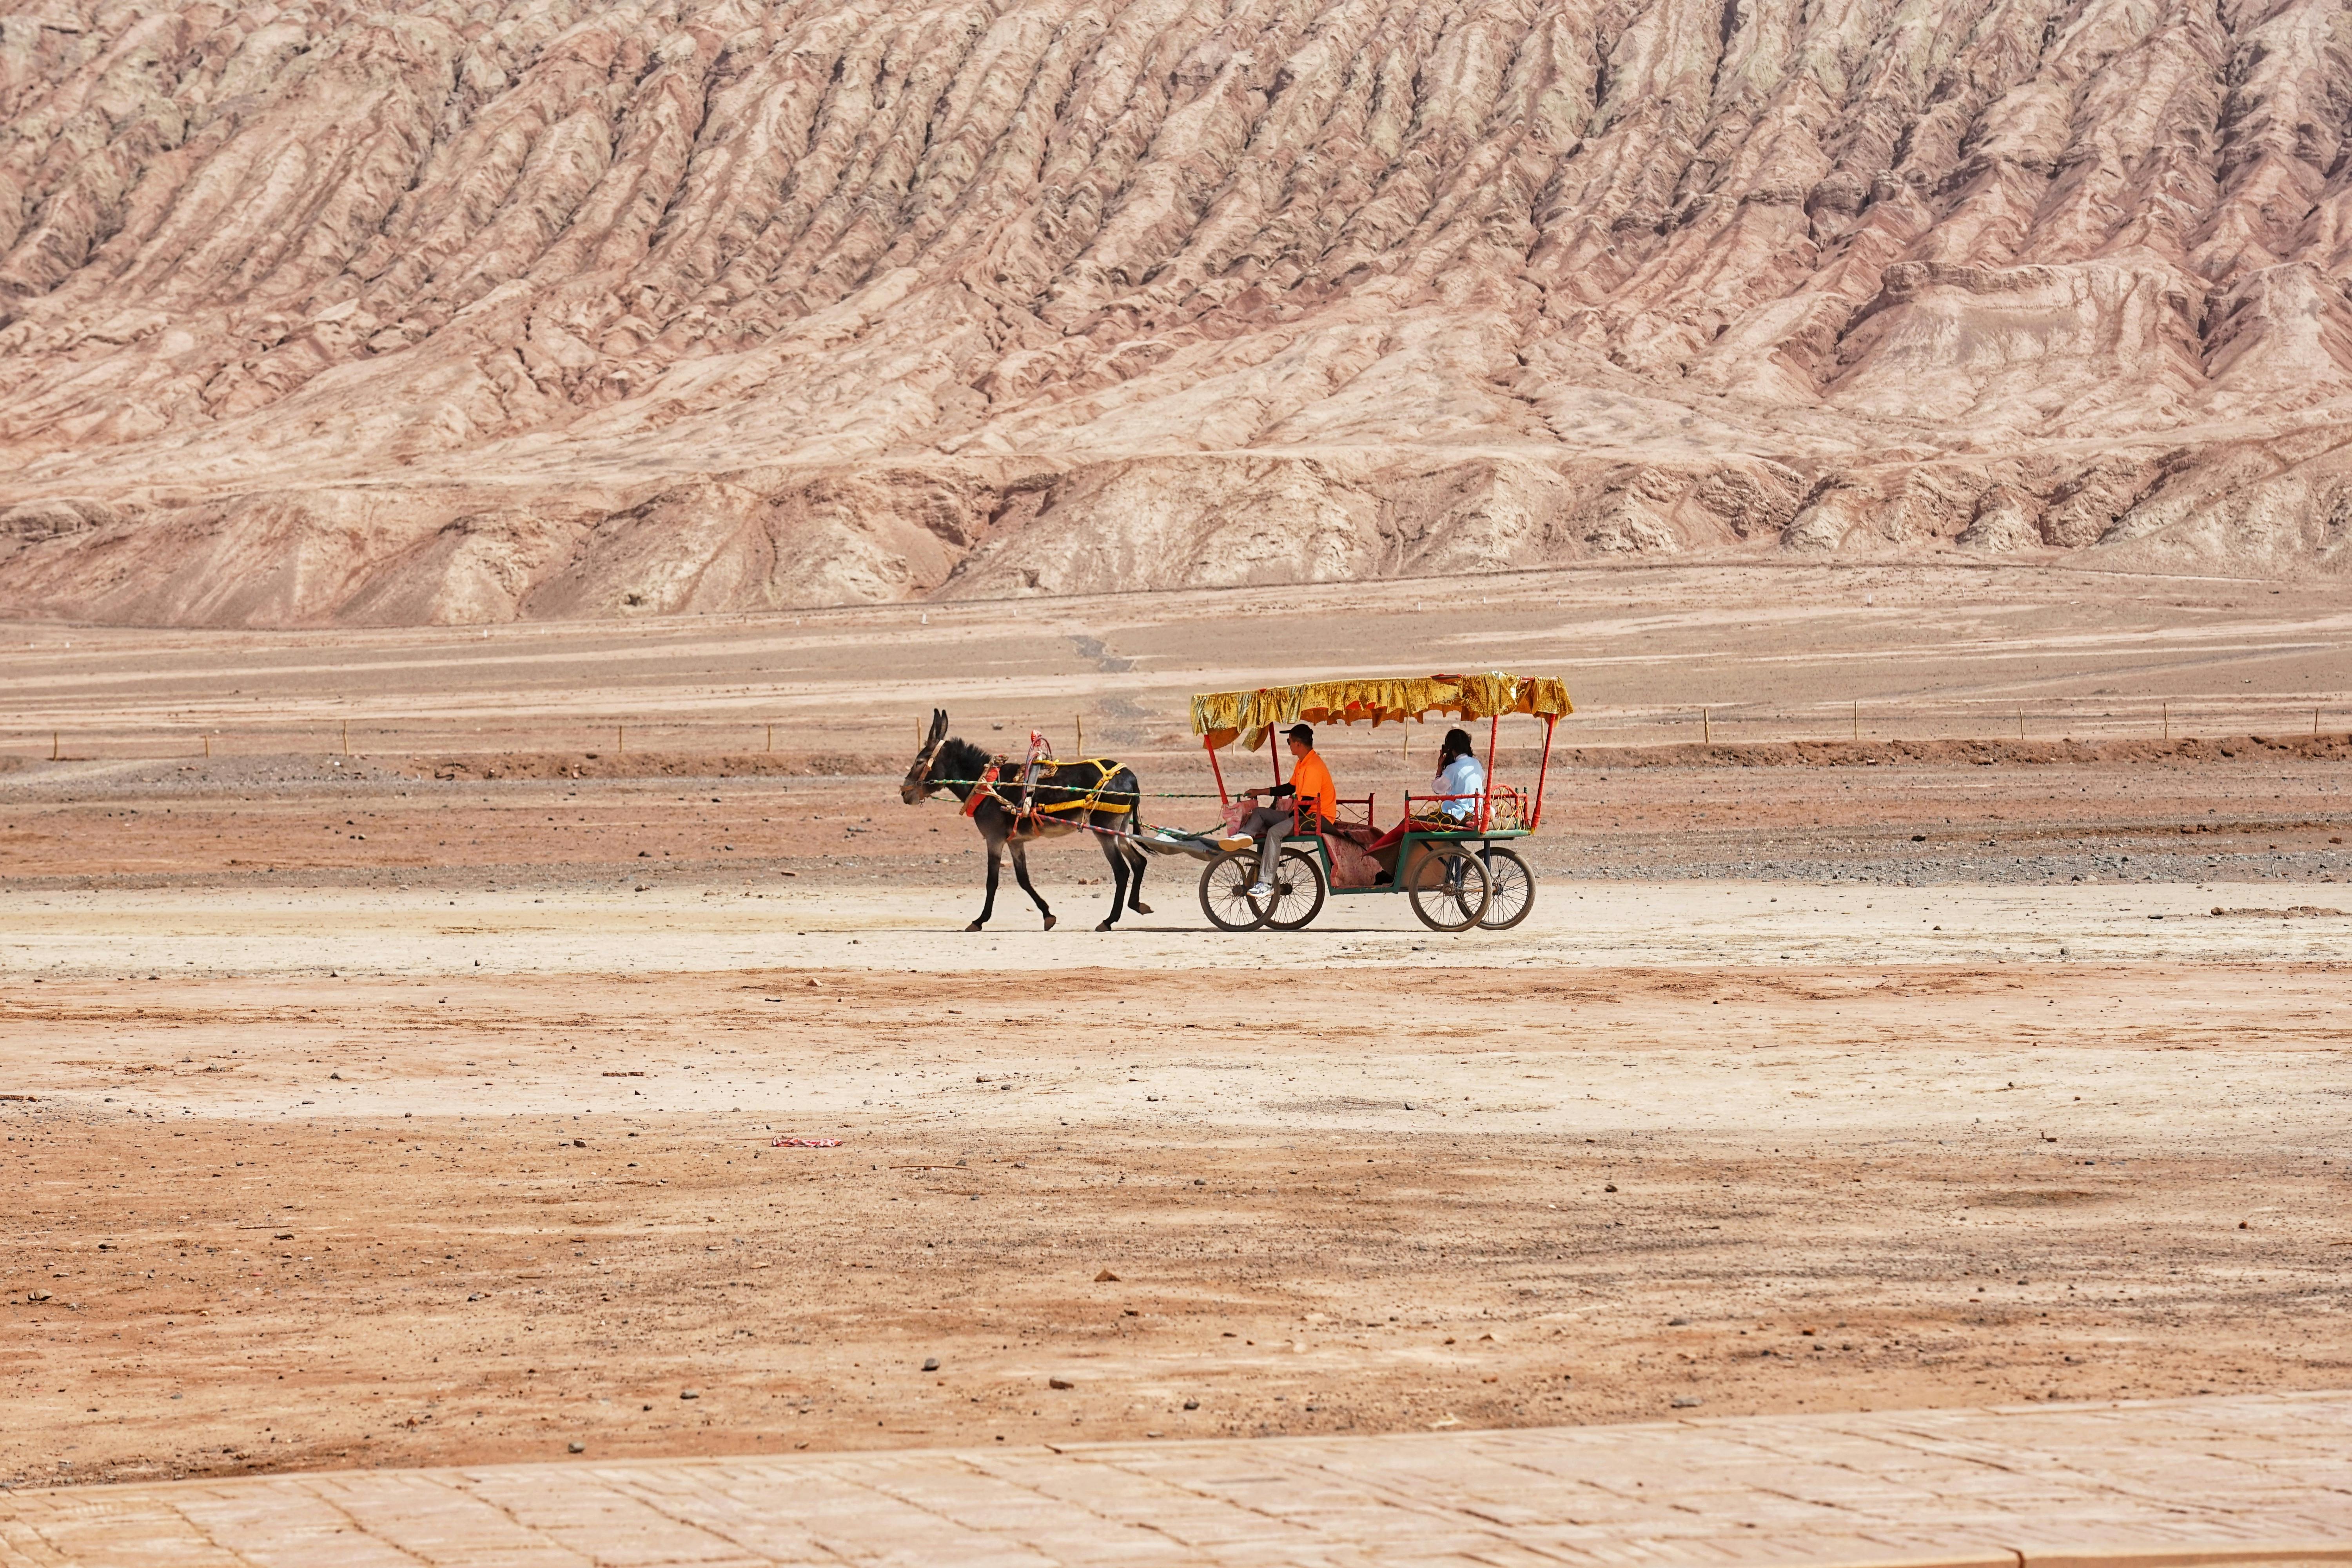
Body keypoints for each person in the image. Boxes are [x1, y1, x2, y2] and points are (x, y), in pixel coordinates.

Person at [1227, 724, 1335, 897]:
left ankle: (1266, 883)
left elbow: (1307, 803)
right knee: (1260, 813)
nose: (1289, 745)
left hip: (1315, 817)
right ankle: (1244, 835)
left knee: (1275, 832)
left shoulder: (1313, 767)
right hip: (1302, 813)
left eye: (1289, 741)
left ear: (1298, 744)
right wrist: (1260, 791)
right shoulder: (1302, 763)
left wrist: (1287, 819)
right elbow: (1288, 788)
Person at [1425, 728, 1485, 825]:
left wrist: (1440, 767)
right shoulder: (1476, 763)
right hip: (1478, 813)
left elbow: (1437, 789)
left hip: (1460, 816)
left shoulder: (1453, 769)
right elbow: (1481, 778)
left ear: (1451, 749)